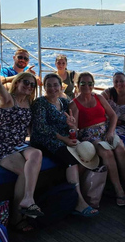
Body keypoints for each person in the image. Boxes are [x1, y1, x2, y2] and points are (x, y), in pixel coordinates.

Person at [30, 73, 99, 217]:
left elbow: (71, 125)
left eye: (56, 85)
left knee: (86, 153)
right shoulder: (40, 103)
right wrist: (64, 139)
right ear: (44, 87)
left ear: (61, 87)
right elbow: (41, 128)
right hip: (44, 140)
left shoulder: (63, 103)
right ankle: (79, 202)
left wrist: (72, 129)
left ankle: (73, 192)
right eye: (49, 85)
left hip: (63, 138)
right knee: (71, 159)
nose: (52, 88)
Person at [0, 63, 43, 232]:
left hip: (18, 144)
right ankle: (17, 219)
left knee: (37, 153)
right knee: (25, 171)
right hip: (0, 145)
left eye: (32, 84)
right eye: (25, 82)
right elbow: (3, 93)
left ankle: (28, 198)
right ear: (16, 83)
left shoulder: (29, 103)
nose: (29, 86)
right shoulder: (9, 100)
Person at [69, 72, 125, 206]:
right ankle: (119, 190)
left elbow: (113, 116)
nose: (87, 86)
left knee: (120, 147)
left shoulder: (98, 97)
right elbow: (74, 128)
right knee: (106, 152)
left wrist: (110, 131)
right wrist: (71, 126)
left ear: (93, 85)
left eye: (90, 83)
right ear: (78, 85)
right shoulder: (74, 104)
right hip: (89, 135)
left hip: (106, 130)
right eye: (83, 83)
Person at [101, 72, 125, 157]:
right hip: (107, 124)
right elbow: (97, 103)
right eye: (116, 81)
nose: (119, 84)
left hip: (123, 126)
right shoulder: (107, 93)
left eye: (121, 81)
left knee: (121, 145)